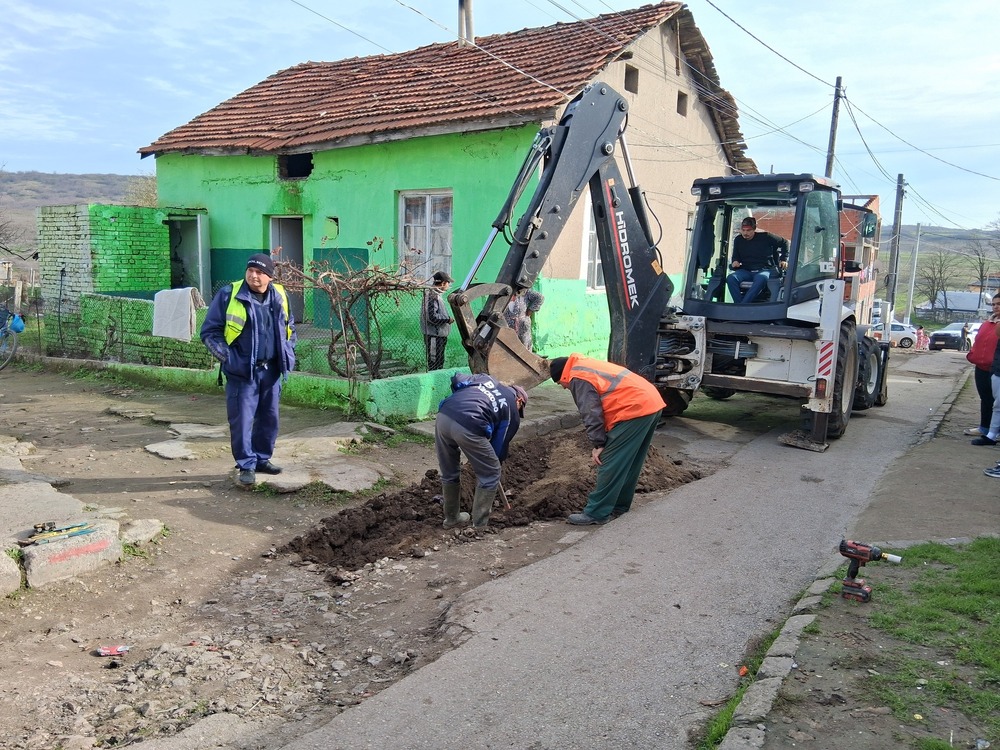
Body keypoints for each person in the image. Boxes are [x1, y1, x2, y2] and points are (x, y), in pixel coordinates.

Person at [201, 253, 296, 486]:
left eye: (260, 272)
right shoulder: (229, 294)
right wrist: (229, 359)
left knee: (269, 418)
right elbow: (209, 332)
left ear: (270, 277)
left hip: (272, 370)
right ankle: (246, 464)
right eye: (250, 270)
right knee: (242, 421)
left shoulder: (280, 295)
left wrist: (288, 351)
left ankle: (262, 459)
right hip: (242, 372)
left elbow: (290, 327)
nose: (254, 275)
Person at [549, 354, 665, 525]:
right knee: (630, 461)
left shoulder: (578, 378)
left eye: (561, 384)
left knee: (610, 461)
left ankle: (597, 513)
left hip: (634, 408)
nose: (564, 388)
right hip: (650, 401)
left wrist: (599, 444)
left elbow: (590, 412)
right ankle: (619, 505)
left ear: (563, 376)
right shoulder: (584, 365)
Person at [434, 374, 527, 529]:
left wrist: (462, 399)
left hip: (444, 415)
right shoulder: (512, 410)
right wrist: (488, 462)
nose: (519, 412)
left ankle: (452, 519)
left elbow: (457, 378)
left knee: (449, 471)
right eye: (520, 409)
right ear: (519, 400)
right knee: (491, 472)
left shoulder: (486, 379)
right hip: (470, 423)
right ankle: (479, 526)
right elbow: (498, 450)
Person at [726, 217, 789, 303]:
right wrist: (735, 261)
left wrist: (783, 259)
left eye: (748, 230)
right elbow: (735, 256)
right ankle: (740, 304)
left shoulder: (766, 237)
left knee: (761, 278)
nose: (745, 233)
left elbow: (785, 242)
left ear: (754, 229)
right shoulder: (738, 240)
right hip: (746, 270)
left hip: (764, 269)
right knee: (731, 278)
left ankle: (742, 306)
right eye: (743, 230)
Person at [967, 296, 1000, 444]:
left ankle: (994, 432)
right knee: (985, 399)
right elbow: (978, 341)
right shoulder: (987, 323)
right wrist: (973, 354)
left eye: (999, 304)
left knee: (996, 402)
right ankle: (984, 428)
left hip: (996, 369)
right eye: (993, 304)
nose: (995, 307)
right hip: (981, 367)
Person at [420, 271, 454, 371]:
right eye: (448, 283)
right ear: (443, 283)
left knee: (439, 361)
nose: (448, 285)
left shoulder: (436, 295)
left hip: (438, 336)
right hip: (434, 336)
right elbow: (431, 317)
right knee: (434, 362)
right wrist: (447, 320)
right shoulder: (432, 296)